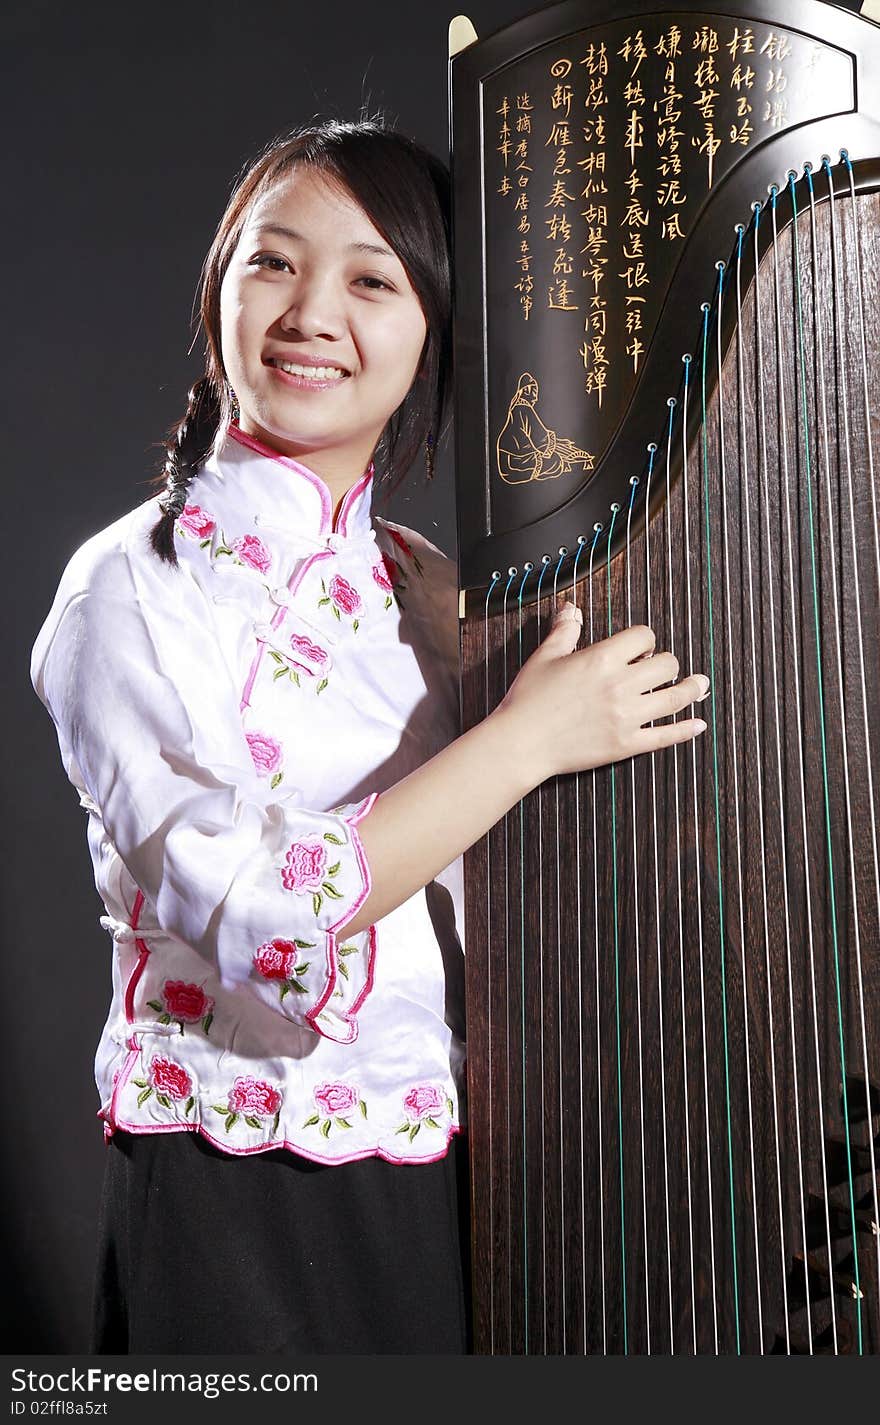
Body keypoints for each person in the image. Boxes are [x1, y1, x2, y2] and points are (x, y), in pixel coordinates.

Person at [29, 116, 709, 1356]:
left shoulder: (418, 581)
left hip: (452, 1163)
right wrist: (522, 742)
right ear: (219, 291)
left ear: (434, 335)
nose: (311, 313)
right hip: (235, 1178)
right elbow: (253, 911)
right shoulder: (129, 588)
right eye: (273, 262)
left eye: (372, 279)